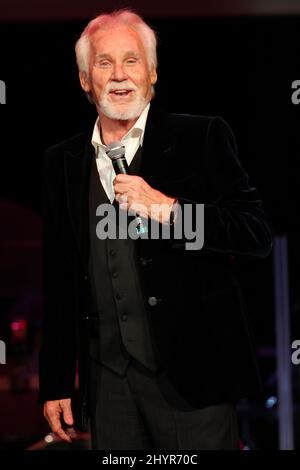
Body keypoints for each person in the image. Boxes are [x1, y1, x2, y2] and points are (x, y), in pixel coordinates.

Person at [38, 9, 272, 450]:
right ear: (86, 79)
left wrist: (170, 210)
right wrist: (54, 381)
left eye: (132, 61)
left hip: (191, 381)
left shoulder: (200, 138)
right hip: (107, 385)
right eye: (104, 63)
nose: (120, 75)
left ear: (153, 74)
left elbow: (254, 235)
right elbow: (60, 279)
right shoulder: (61, 162)